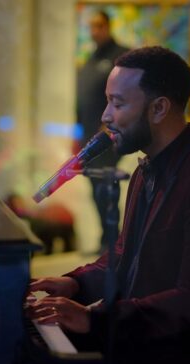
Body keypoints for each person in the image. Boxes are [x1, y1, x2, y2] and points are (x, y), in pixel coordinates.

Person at [27, 47, 190, 364]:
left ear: (159, 108)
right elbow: (126, 258)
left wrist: (95, 320)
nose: (106, 116)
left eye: (118, 103)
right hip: (151, 350)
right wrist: (75, 284)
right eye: (107, 102)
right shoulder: (147, 169)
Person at [76, 10, 129, 253]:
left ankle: (112, 243)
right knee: (94, 189)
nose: (94, 30)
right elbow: (81, 101)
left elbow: (127, 96)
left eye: (98, 25)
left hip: (108, 137)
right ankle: (106, 241)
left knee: (105, 188)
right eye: (91, 26)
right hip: (87, 137)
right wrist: (77, 135)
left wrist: (111, 124)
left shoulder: (121, 56)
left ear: (108, 26)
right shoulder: (90, 58)